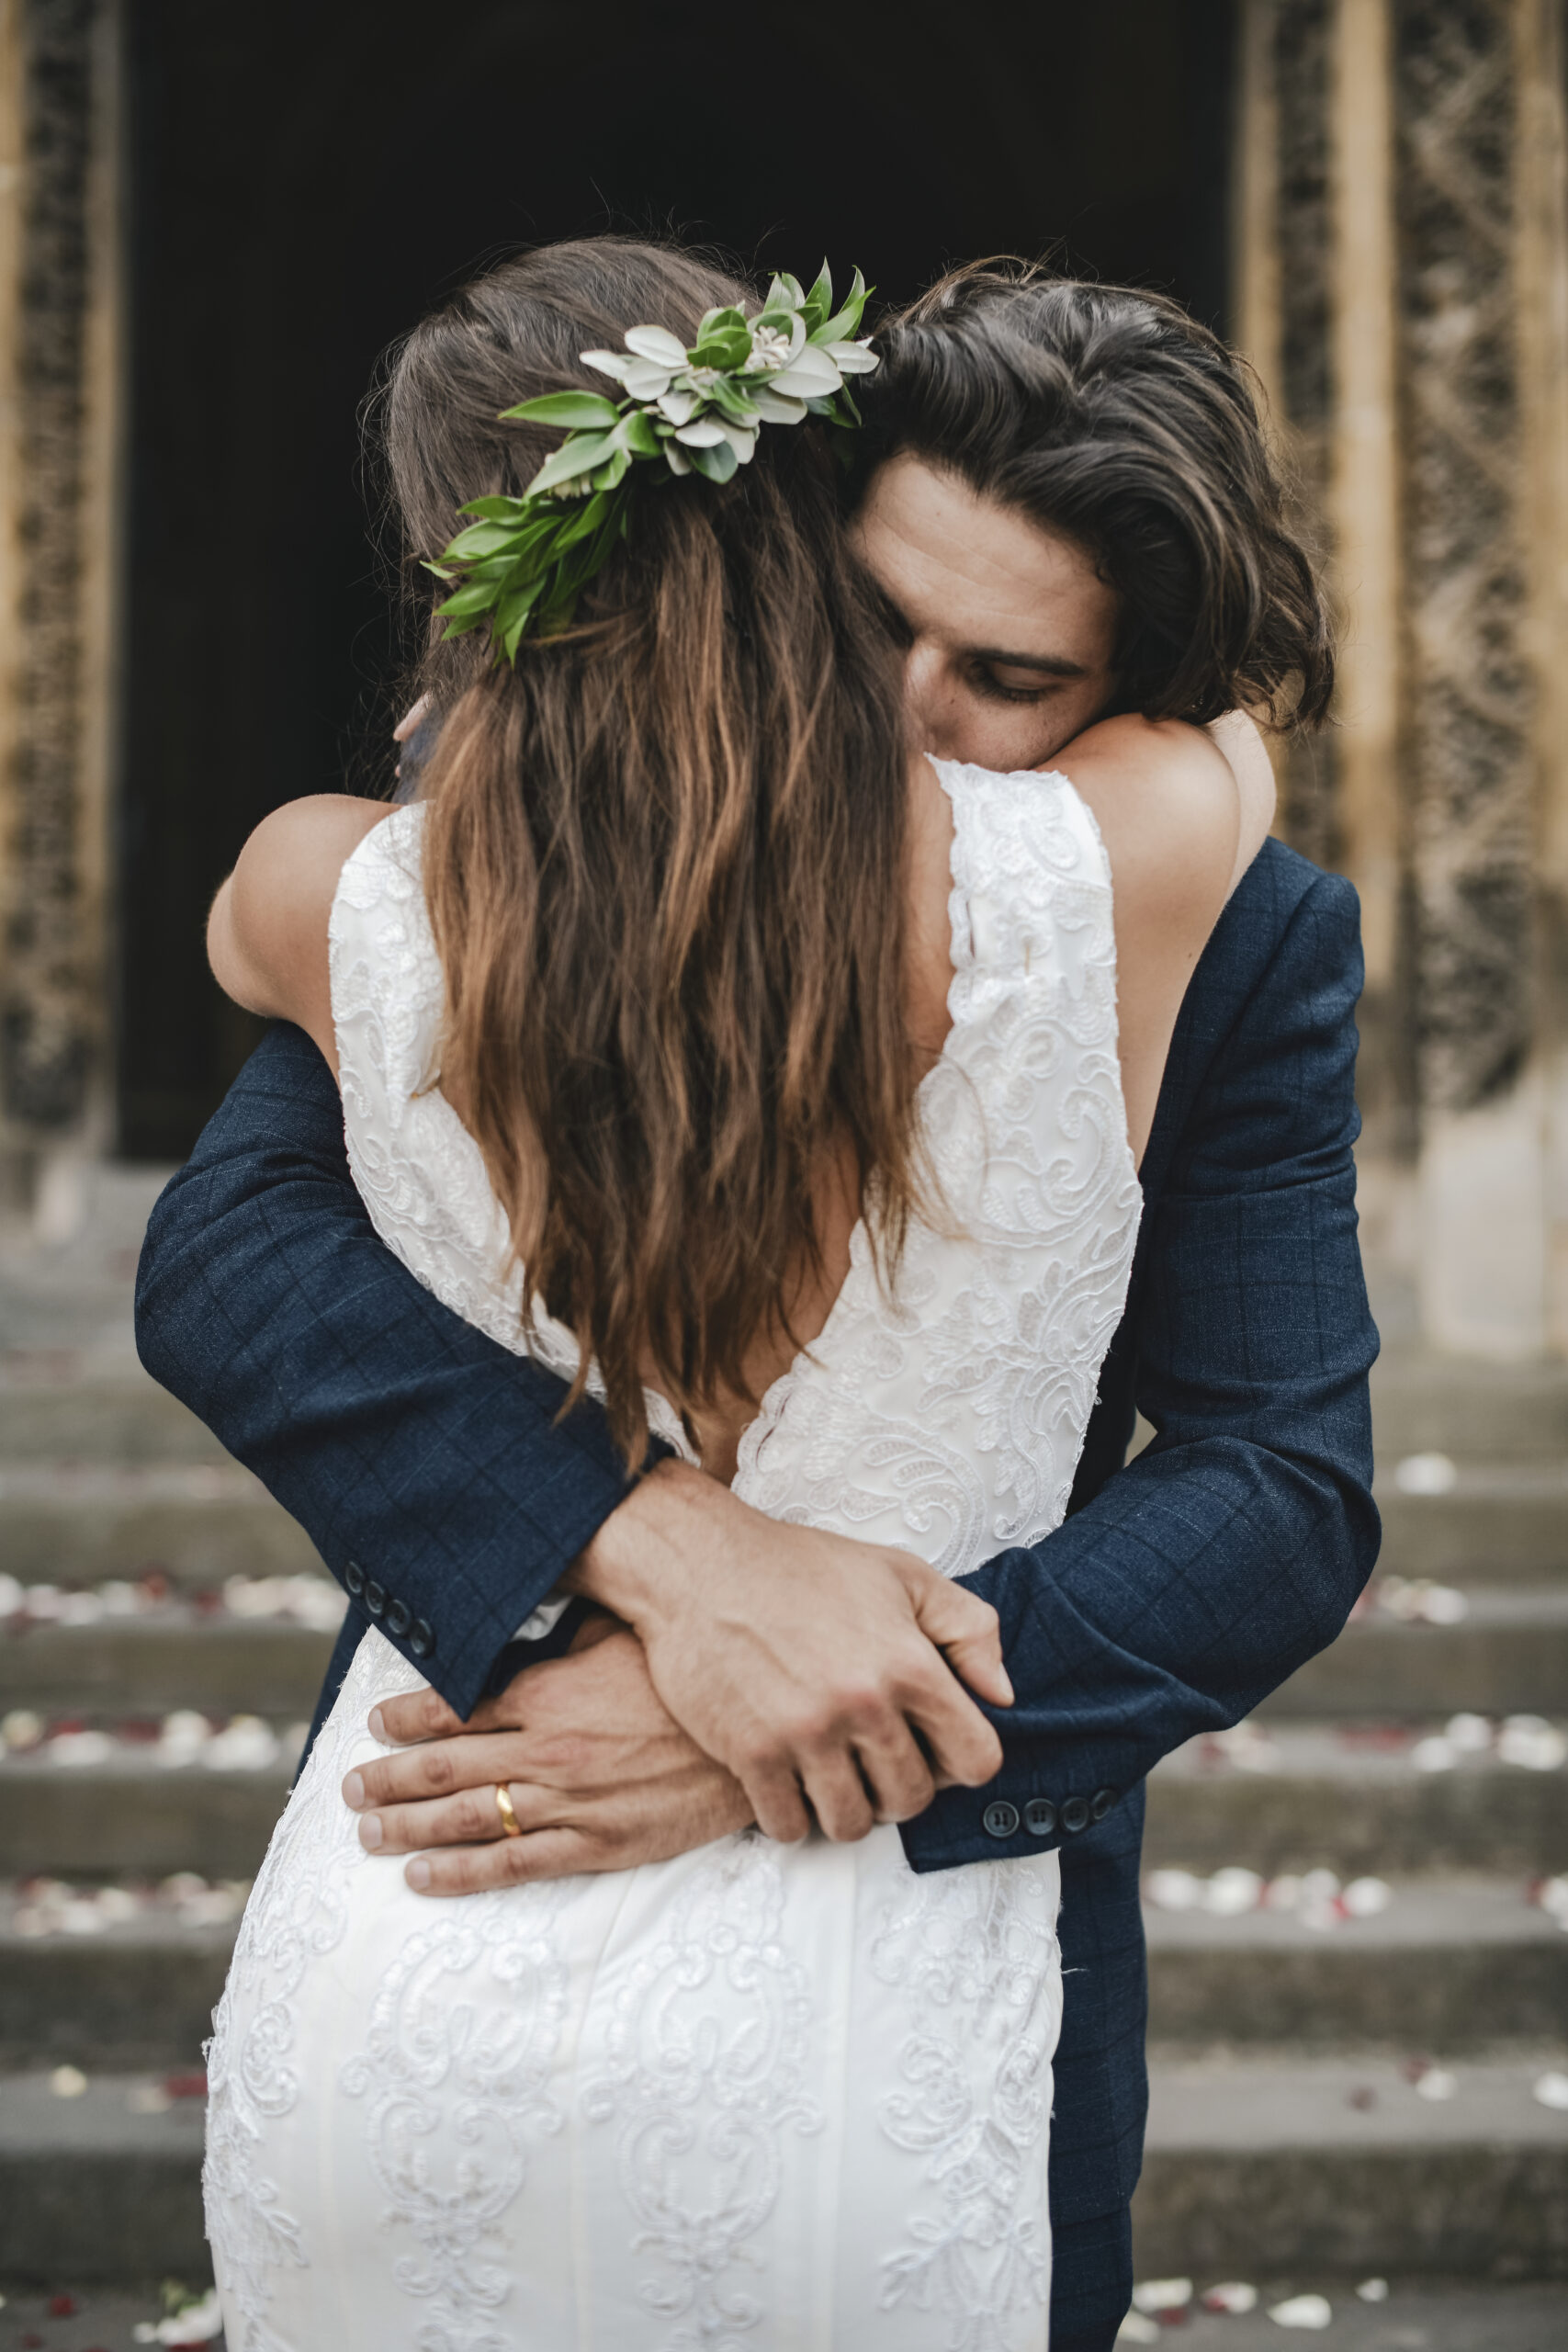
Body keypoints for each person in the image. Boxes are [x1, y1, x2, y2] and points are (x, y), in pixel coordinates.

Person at [137, 246, 1378, 2351]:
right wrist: (664, 1549)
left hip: (931, 1912)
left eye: (1000, 678)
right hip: (475, 1794)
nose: (894, 713)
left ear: (1132, 696)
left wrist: (782, 1735)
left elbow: (1276, 1482)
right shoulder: (515, 843)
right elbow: (232, 1258)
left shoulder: (1226, 931)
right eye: (862, 618)